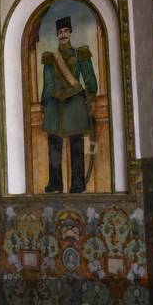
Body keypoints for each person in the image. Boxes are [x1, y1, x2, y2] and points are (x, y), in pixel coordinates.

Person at [41, 16, 97, 193]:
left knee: (77, 147)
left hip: (75, 104)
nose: (63, 34)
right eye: (60, 32)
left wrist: (91, 95)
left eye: (65, 31)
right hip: (55, 105)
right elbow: (48, 83)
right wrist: (44, 103)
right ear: (57, 35)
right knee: (54, 147)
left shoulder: (80, 53)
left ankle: (78, 184)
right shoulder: (50, 59)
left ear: (70, 32)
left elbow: (89, 78)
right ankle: (55, 184)